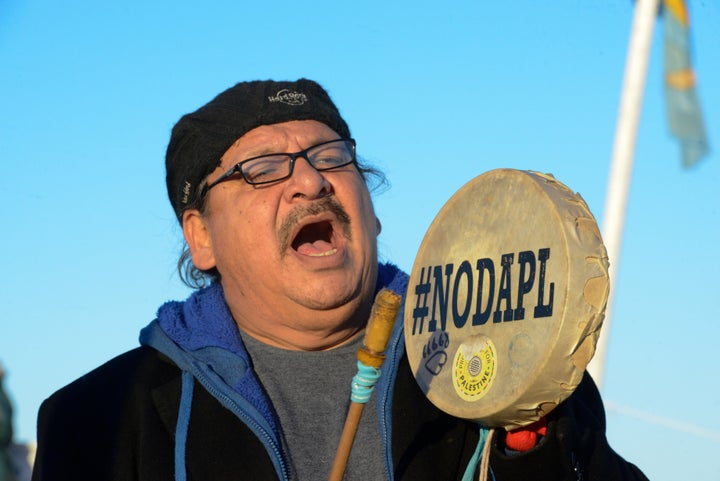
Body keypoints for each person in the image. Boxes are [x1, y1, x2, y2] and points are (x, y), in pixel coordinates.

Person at [31, 79, 649, 481]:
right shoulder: (100, 421)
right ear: (202, 237)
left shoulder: (510, 361)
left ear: (372, 210)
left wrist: (529, 448)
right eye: (263, 168)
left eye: (331, 157)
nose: (311, 181)